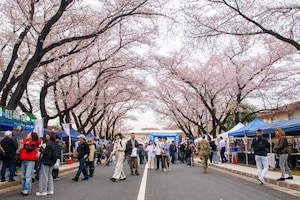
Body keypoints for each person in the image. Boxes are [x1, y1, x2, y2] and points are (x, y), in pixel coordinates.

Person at [36, 131, 58, 196]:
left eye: (47, 135)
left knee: (44, 175)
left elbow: (44, 151)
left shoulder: (47, 143)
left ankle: (43, 190)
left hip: (46, 160)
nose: (46, 136)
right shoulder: (54, 143)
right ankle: (50, 189)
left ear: (50, 136)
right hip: (51, 161)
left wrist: (41, 149)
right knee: (49, 175)